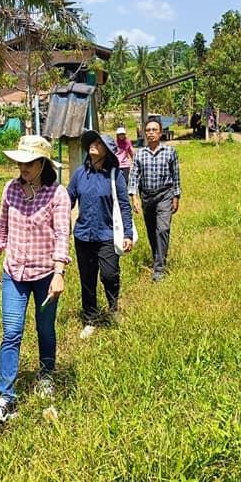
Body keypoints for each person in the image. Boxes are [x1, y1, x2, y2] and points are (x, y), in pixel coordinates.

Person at [0, 135, 71, 426]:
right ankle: (6, 397)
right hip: (14, 273)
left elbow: (62, 235)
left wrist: (59, 273)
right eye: (19, 162)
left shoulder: (58, 194)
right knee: (11, 332)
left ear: (42, 164)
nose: (21, 167)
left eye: (28, 162)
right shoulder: (10, 189)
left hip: (46, 275)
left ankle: (46, 375)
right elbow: (2, 226)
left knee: (45, 328)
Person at [67, 130, 133, 339]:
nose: (94, 145)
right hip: (83, 235)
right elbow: (67, 201)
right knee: (87, 279)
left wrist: (128, 233)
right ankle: (90, 318)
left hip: (107, 235)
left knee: (109, 274)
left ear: (108, 151)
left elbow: (124, 205)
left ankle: (113, 308)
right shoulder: (79, 174)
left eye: (99, 143)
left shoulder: (115, 176)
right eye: (92, 142)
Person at [128, 118, 181, 282]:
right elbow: (134, 176)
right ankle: (157, 256)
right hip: (147, 197)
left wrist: (176, 196)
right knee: (152, 231)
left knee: (163, 229)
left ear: (160, 132)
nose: (151, 133)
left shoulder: (170, 152)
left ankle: (159, 268)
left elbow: (176, 175)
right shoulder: (140, 154)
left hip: (165, 195)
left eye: (154, 130)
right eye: (148, 130)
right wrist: (134, 196)